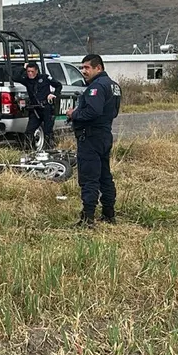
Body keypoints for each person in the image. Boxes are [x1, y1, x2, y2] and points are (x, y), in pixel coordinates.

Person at [66, 54, 121, 227]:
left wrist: (74, 114)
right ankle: (108, 213)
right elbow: (113, 111)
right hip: (104, 135)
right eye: (82, 68)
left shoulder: (96, 87)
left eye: (87, 68)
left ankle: (87, 218)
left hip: (90, 137)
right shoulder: (114, 86)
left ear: (99, 68)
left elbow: (92, 112)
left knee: (89, 177)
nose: (84, 71)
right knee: (105, 175)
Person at [17, 61, 63, 150]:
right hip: (35, 110)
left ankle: (49, 150)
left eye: (32, 71)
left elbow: (58, 85)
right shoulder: (27, 80)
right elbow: (15, 77)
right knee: (29, 131)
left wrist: (54, 95)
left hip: (46, 108)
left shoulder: (44, 78)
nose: (30, 73)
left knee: (47, 132)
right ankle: (30, 151)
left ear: (37, 71)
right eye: (28, 71)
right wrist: (23, 68)